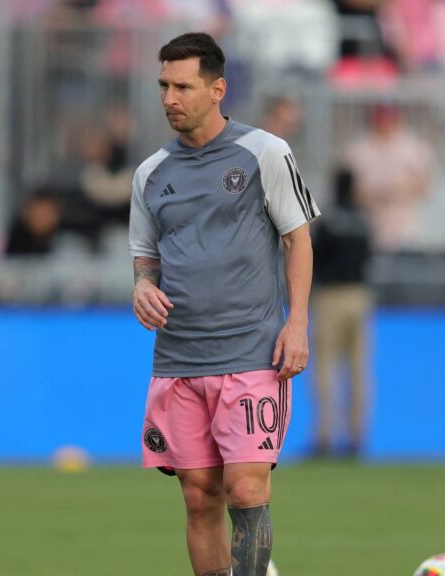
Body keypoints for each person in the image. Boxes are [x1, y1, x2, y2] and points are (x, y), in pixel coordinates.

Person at [128, 32, 318, 576]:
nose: (169, 98)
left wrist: (298, 323)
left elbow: (297, 238)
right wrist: (142, 287)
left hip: (253, 353)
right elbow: (144, 258)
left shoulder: (266, 152)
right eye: (163, 85)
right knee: (199, 496)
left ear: (217, 89)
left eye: (182, 86)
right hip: (180, 359)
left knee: (245, 486)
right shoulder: (149, 174)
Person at [310, 166, 372, 458]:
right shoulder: (362, 220)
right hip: (359, 295)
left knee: (325, 368)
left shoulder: (329, 220)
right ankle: (356, 437)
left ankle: (324, 437)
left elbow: (312, 257)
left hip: (331, 297)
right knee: (358, 369)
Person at [343, 102, 433, 252]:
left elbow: (425, 185)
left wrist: (399, 190)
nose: (385, 124)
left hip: (405, 224)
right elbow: (347, 189)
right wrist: (378, 193)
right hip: (368, 223)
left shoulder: (413, 147)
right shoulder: (358, 149)